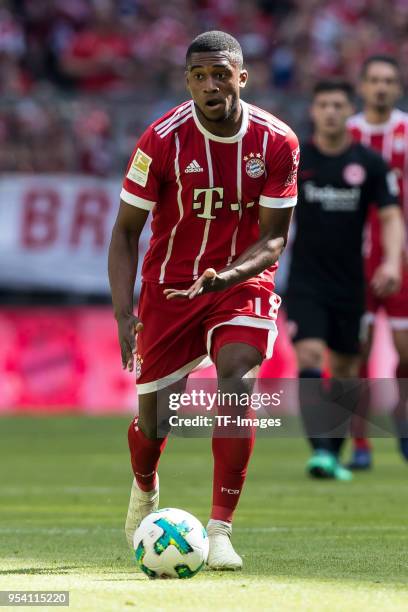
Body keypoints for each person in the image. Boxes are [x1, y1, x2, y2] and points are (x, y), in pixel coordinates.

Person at [108, 30, 299, 570]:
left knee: (237, 381)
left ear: (242, 76)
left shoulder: (277, 141)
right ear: (187, 82)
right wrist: (125, 314)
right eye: (199, 76)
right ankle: (145, 486)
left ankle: (220, 531)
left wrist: (228, 277)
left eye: (220, 73)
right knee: (155, 423)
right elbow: (125, 233)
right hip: (169, 290)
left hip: (240, 282)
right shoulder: (159, 140)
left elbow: (274, 238)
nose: (211, 85)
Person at [285, 80, 404, 480]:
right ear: (314, 111)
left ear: (348, 111)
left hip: (351, 282)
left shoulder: (369, 163)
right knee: (310, 358)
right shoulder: (296, 159)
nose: (331, 112)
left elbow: (390, 216)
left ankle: (332, 452)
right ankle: (319, 449)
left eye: (338, 105)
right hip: (306, 280)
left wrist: (390, 262)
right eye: (324, 105)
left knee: (348, 369)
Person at [348, 55, 408, 468]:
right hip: (353, 262)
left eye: (389, 80)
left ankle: (403, 423)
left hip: (403, 261)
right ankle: (361, 443)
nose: (382, 87)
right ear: (363, 86)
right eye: (375, 80)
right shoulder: (347, 133)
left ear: (398, 87)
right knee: (356, 356)